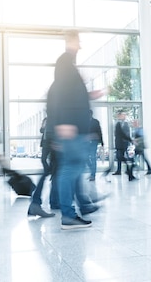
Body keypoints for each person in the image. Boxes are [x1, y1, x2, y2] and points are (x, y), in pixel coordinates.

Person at [46, 30, 107, 229]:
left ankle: (76, 209)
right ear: (70, 41)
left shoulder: (69, 65)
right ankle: (68, 215)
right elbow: (59, 95)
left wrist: (92, 94)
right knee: (69, 169)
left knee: (74, 168)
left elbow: (75, 96)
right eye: (77, 41)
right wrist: (62, 123)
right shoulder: (64, 62)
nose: (80, 45)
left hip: (75, 127)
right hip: (70, 127)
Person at [27, 117, 56, 217]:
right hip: (50, 143)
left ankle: (39, 202)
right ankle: (39, 202)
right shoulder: (48, 118)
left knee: (55, 171)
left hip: (52, 142)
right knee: (52, 169)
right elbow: (41, 130)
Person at [113, 111, 137, 181]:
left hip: (124, 144)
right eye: (122, 115)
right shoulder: (117, 124)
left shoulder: (125, 124)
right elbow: (119, 134)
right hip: (119, 144)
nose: (124, 116)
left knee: (121, 157)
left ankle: (127, 171)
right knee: (120, 158)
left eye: (124, 115)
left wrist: (129, 140)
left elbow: (125, 134)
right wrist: (130, 140)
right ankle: (123, 171)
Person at [87, 110, 104, 181]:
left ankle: (93, 175)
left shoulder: (95, 122)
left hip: (94, 142)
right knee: (85, 157)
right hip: (86, 142)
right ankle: (92, 170)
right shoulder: (84, 122)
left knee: (93, 157)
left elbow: (99, 131)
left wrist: (102, 141)